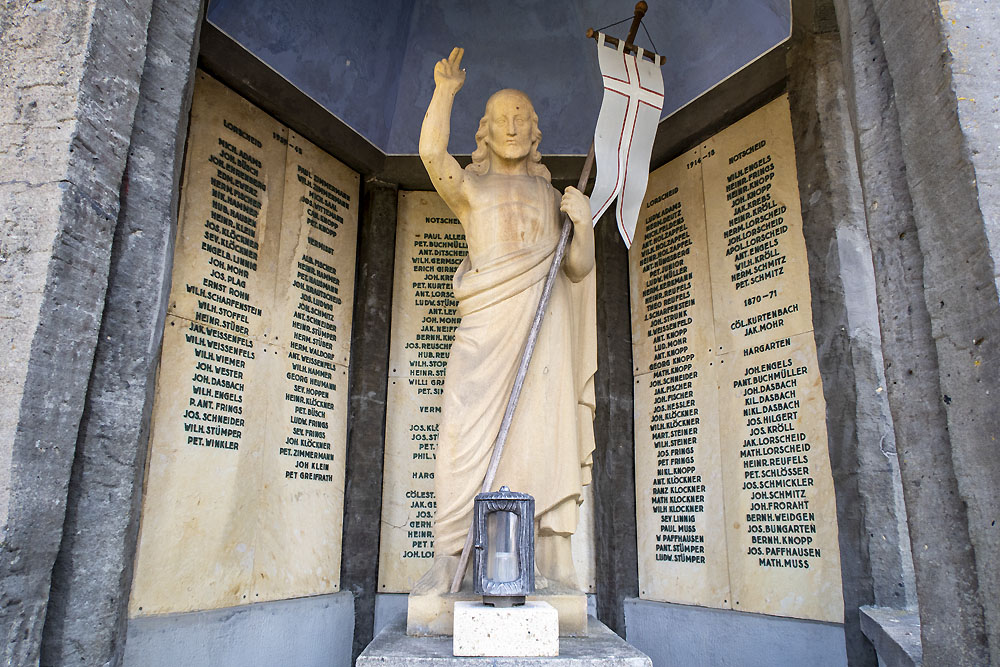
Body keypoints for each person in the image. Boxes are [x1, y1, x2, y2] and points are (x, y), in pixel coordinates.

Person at [417, 47, 597, 588]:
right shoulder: (473, 189)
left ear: (535, 130)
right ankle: (450, 559)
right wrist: (445, 91)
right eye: (501, 117)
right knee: (459, 439)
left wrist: (583, 225)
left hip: (542, 336)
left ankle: (548, 563)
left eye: (522, 116)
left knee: (542, 439)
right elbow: (431, 154)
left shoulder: (552, 196)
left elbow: (578, 269)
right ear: (486, 131)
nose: (513, 125)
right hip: (484, 333)